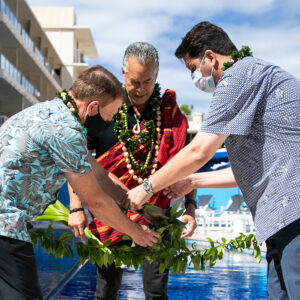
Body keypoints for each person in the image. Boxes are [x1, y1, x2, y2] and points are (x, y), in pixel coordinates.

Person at [127, 22, 300, 300]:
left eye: (192, 67)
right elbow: (250, 171)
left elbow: (200, 152)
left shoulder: (238, 75)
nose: (194, 76)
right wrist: (193, 181)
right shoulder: (254, 77)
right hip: (281, 221)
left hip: (295, 213)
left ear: (210, 57)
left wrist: (146, 187)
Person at [0, 65, 159, 300]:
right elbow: (95, 202)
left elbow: (100, 175)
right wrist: (137, 232)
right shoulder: (67, 131)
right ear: (93, 106)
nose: (111, 122)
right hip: (5, 225)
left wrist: (139, 206)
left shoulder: (50, 114)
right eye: (110, 115)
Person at [68, 42, 197, 300]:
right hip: (110, 212)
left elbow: (187, 162)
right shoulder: (103, 110)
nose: (140, 89)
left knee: (156, 292)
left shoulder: (168, 114)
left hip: (157, 213)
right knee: (106, 290)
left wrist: (190, 210)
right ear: (123, 74)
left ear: (157, 76)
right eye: (134, 81)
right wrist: (76, 208)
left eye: (147, 82)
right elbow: (76, 160)